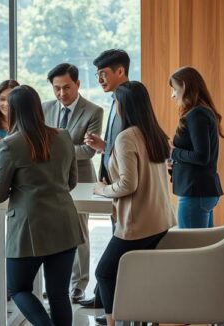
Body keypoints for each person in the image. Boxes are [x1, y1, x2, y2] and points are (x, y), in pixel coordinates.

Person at [0, 85, 84, 326]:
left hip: (28, 228)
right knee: (59, 294)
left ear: (13, 111)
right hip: (64, 223)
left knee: (18, 288)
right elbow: (71, 181)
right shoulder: (63, 136)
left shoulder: (9, 145)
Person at [92, 81, 177, 326]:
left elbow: (129, 185)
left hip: (136, 223)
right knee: (137, 275)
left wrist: (103, 189)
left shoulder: (126, 137)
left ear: (124, 106)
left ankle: (113, 323)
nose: (115, 106)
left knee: (104, 272)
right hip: (160, 219)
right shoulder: (153, 133)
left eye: (116, 101)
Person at [41, 63, 103, 303]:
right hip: (48, 180)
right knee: (53, 232)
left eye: (66, 87)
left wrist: (54, 150)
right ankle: (57, 284)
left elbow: (88, 150)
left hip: (81, 180)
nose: (61, 94)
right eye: (56, 88)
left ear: (77, 84)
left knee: (79, 232)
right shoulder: (44, 109)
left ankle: (79, 284)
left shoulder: (93, 111)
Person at [79, 48, 131, 308]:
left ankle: (114, 304)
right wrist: (104, 145)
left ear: (120, 71)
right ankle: (105, 299)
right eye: (97, 74)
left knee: (118, 254)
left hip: (123, 189)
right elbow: (119, 144)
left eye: (103, 74)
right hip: (113, 186)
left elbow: (130, 144)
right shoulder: (114, 99)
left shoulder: (129, 100)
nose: (99, 79)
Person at [168, 66, 224, 228]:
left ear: (185, 88)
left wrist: (174, 152)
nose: (172, 95)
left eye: (174, 89)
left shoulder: (196, 114)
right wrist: (174, 161)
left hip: (195, 192)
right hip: (201, 191)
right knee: (203, 246)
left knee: (191, 249)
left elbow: (201, 156)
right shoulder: (202, 112)